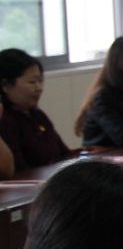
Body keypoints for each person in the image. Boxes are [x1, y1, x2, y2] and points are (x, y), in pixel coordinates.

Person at [0, 48, 72, 176]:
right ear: (5, 85)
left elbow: (64, 154)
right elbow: (18, 172)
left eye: (40, 81)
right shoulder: (5, 121)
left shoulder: (37, 115)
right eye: (32, 82)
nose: (39, 88)